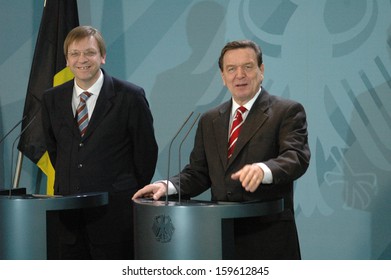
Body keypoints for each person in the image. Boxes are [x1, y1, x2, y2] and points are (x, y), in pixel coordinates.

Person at [133, 40, 310, 260]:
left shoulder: (286, 111)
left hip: (268, 238)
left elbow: (296, 157)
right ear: (222, 76)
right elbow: (199, 172)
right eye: (231, 69)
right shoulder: (210, 119)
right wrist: (166, 186)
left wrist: (263, 170)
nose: (240, 75)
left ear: (261, 70)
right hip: (218, 237)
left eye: (247, 66)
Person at [41, 26, 158, 259]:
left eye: (90, 53)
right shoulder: (51, 98)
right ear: (66, 60)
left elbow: (145, 154)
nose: (82, 59)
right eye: (74, 54)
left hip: (114, 216)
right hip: (67, 217)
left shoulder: (130, 97)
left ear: (102, 57)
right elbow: (56, 150)